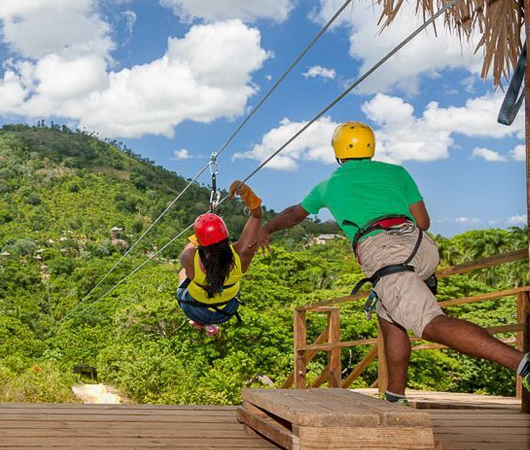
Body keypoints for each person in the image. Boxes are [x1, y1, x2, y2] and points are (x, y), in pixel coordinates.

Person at [258, 121, 530, 403]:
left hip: (384, 250)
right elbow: (423, 222)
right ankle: (395, 396)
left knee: (429, 322)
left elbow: (294, 213)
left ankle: (521, 363)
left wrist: (267, 229)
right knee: (391, 318)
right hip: (419, 246)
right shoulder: (397, 173)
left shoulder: (329, 184)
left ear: (337, 152)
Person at [177, 181, 263, 336]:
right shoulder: (242, 254)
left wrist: (201, 231)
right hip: (226, 310)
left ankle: (200, 321)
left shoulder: (189, 257)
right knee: (226, 284)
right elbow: (257, 217)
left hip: (194, 309)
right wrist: (248, 195)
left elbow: (190, 246)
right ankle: (211, 322)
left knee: (183, 272)